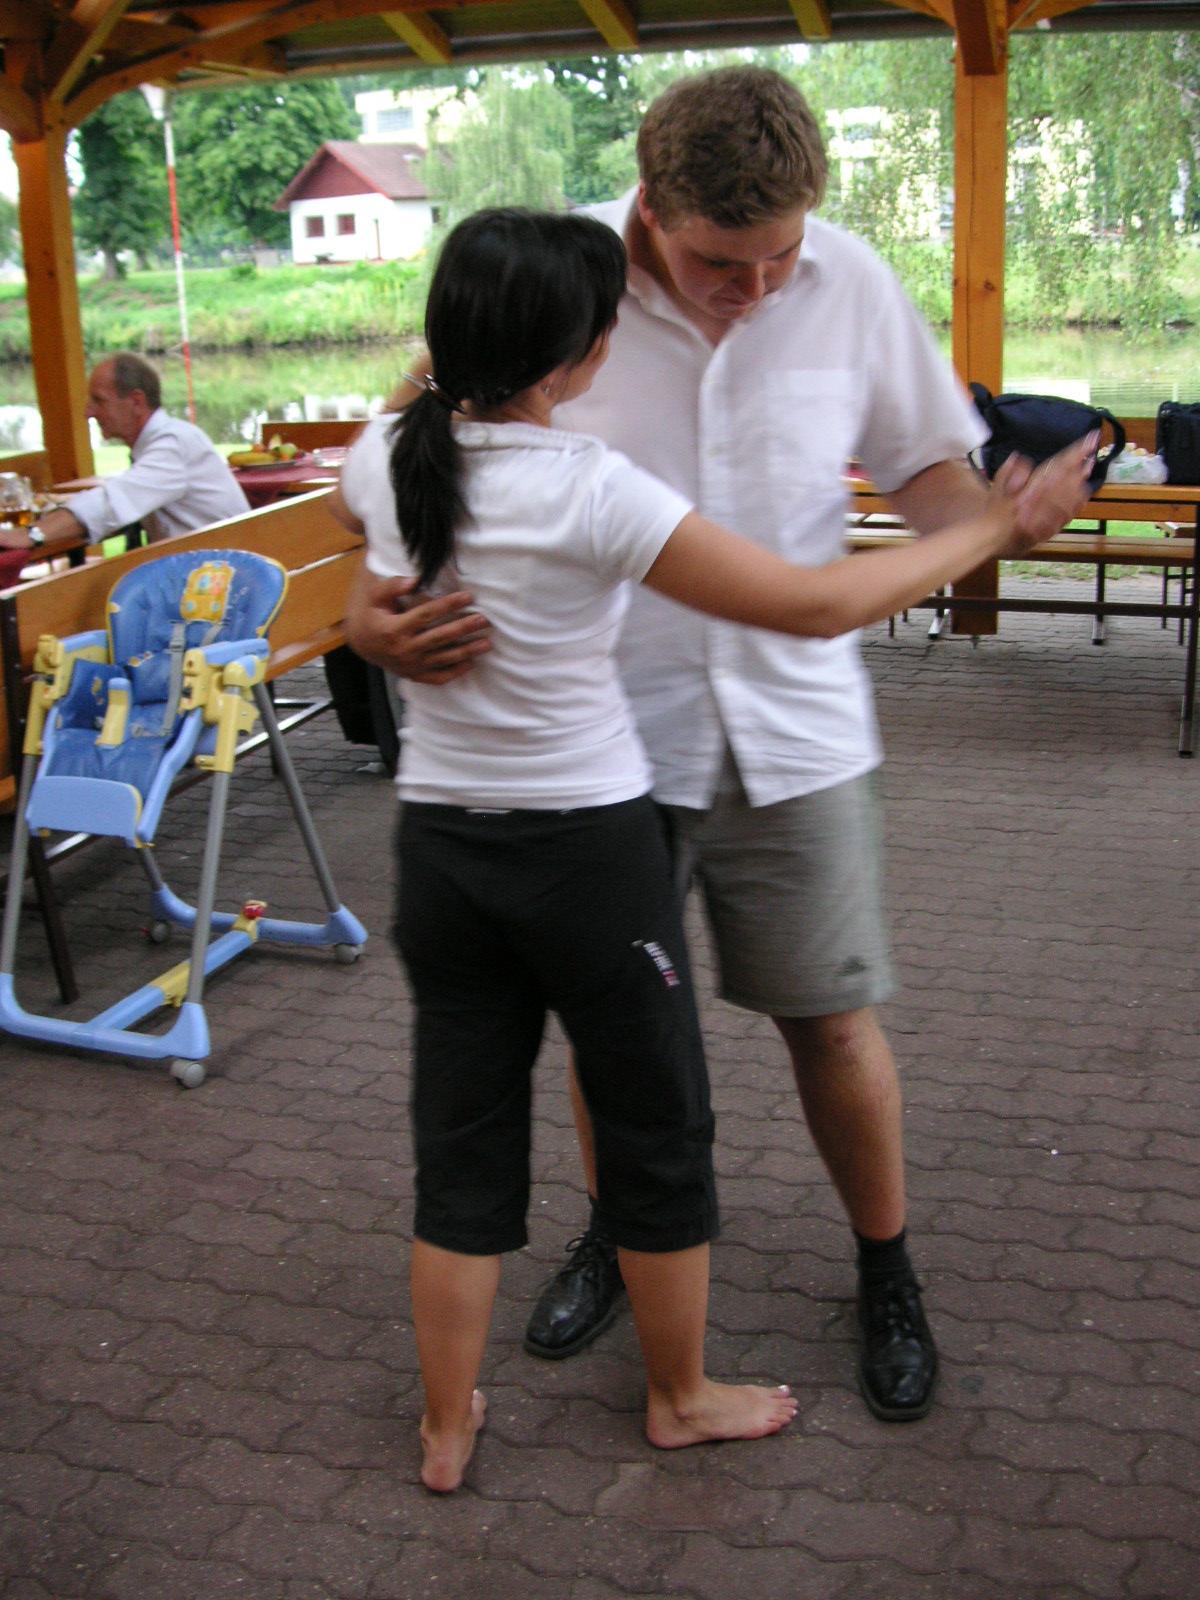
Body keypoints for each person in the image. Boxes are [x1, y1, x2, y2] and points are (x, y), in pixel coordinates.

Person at [346, 67, 1091, 1427]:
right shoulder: (552, 276)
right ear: (649, 205)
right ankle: (611, 1238)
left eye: (778, 259)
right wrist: (365, 615)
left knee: (832, 1014)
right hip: (603, 746)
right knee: (608, 1024)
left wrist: (997, 519)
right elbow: (416, 447)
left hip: (794, 726)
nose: (753, 289)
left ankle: (886, 1267)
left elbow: (931, 476)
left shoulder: (850, 283)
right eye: (717, 264)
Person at [0, 352, 249, 554]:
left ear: (136, 402)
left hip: (226, 580)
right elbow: (118, 501)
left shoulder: (173, 445)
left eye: (99, 400)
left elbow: (113, 503)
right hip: (213, 568)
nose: (88, 412)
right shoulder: (169, 439)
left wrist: (31, 534)